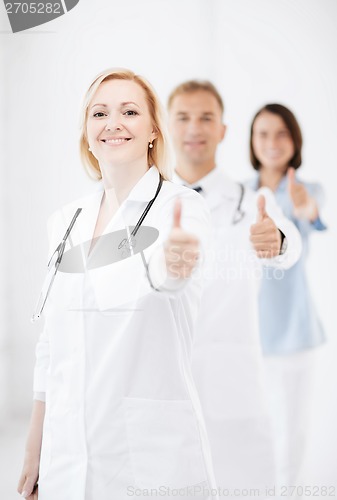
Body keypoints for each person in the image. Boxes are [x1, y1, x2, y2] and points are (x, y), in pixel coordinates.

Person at [18, 69, 218, 500]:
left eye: (130, 111)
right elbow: (50, 346)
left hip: (150, 457)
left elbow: (172, 277)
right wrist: (36, 447)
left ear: (152, 131)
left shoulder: (181, 207)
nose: (113, 122)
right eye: (99, 113)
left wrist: (176, 264)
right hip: (66, 457)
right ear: (87, 135)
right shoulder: (64, 221)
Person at [167, 81, 302, 498]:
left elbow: (289, 243)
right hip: (167, 384)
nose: (195, 128)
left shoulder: (253, 201)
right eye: (184, 117)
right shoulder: (147, 204)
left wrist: (276, 239)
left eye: (206, 117)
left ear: (223, 130)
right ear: (165, 127)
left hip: (233, 382)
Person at [246, 103, 327, 489]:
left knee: (292, 433)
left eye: (281, 133)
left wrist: (305, 209)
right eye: (262, 133)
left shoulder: (307, 191)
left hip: (295, 332)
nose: (272, 143)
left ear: (294, 140)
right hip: (249, 334)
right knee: (255, 431)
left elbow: (313, 214)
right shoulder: (239, 194)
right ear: (251, 141)